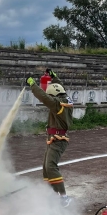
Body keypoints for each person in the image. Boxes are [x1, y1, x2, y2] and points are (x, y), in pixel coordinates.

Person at [26, 68, 74, 207]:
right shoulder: (64, 98)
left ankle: (64, 198)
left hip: (58, 139)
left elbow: (44, 97)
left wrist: (32, 84)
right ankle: (52, 196)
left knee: (51, 166)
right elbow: (60, 88)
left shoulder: (57, 104)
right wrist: (54, 77)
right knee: (46, 167)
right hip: (54, 137)